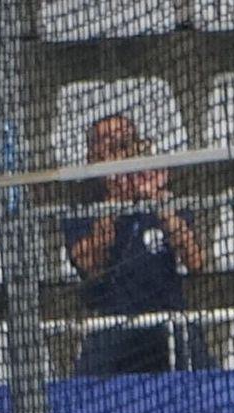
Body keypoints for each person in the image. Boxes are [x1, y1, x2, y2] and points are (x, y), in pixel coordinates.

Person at [64, 114, 211, 374]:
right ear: (92, 155)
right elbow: (89, 265)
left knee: (205, 376)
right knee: (84, 387)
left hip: (167, 315)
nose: (119, 148)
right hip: (113, 320)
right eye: (108, 143)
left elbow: (196, 261)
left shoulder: (165, 199)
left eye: (125, 140)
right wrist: (113, 204)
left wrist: (157, 203)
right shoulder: (81, 208)